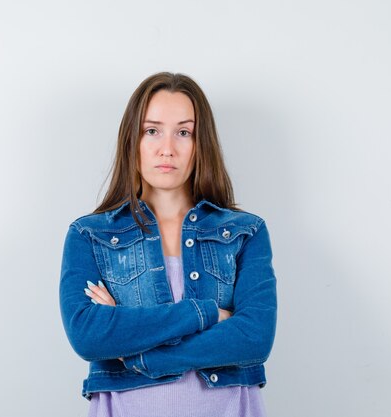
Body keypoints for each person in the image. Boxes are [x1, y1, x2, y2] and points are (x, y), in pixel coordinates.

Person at [59, 72, 277, 417]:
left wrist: (134, 348)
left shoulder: (244, 232)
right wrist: (206, 314)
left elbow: (254, 337)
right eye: (152, 130)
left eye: (184, 132)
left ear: (200, 142)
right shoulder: (90, 235)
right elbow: (88, 336)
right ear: (133, 140)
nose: (167, 148)